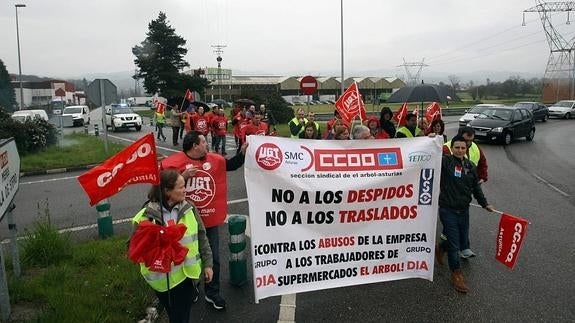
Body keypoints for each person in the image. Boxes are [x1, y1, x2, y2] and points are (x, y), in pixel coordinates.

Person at [160, 131, 247, 310]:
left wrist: (242, 154)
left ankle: (212, 292)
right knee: (186, 258)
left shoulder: (212, 160)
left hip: (209, 219)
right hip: (184, 221)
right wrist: (182, 177)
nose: (207, 145)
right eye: (203, 142)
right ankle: (192, 289)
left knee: (213, 257)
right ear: (194, 146)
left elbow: (229, 165)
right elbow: (161, 190)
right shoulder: (173, 164)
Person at [130, 169, 213, 322]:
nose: (185, 190)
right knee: (176, 316)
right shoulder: (145, 215)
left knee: (180, 318)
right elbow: (133, 247)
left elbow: (202, 236)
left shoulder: (190, 208)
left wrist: (208, 264)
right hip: (161, 281)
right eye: (181, 187)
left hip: (186, 278)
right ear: (167, 191)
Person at [435, 135, 494, 293]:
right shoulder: (445, 162)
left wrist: (484, 204)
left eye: (463, 148)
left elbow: (476, 188)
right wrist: (430, 139)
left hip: (464, 210)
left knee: (460, 240)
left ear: (466, 149)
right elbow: (431, 155)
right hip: (448, 210)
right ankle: (456, 274)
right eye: (457, 147)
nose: (460, 150)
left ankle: (440, 248)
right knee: (455, 246)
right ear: (452, 148)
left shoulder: (471, 166)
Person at [442, 126, 489, 258]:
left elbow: (482, 163)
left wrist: (482, 177)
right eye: (466, 141)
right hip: (448, 197)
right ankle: (455, 270)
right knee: (453, 236)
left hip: (464, 197)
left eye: (470, 141)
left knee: (462, 228)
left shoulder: (474, 149)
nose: (468, 145)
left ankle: (454, 246)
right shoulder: (445, 150)